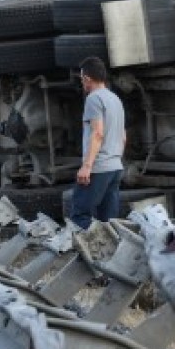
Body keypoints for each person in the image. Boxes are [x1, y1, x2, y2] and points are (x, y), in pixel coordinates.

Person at [70, 57, 125, 229]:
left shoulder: (93, 99)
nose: (82, 83)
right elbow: (123, 136)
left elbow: (97, 133)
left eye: (82, 79)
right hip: (115, 167)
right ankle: (112, 247)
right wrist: (115, 158)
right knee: (109, 222)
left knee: (80, 217)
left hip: (98, 168)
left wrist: (87, 166)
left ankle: (87, 248)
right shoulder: (115, 99)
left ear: (87, 78)